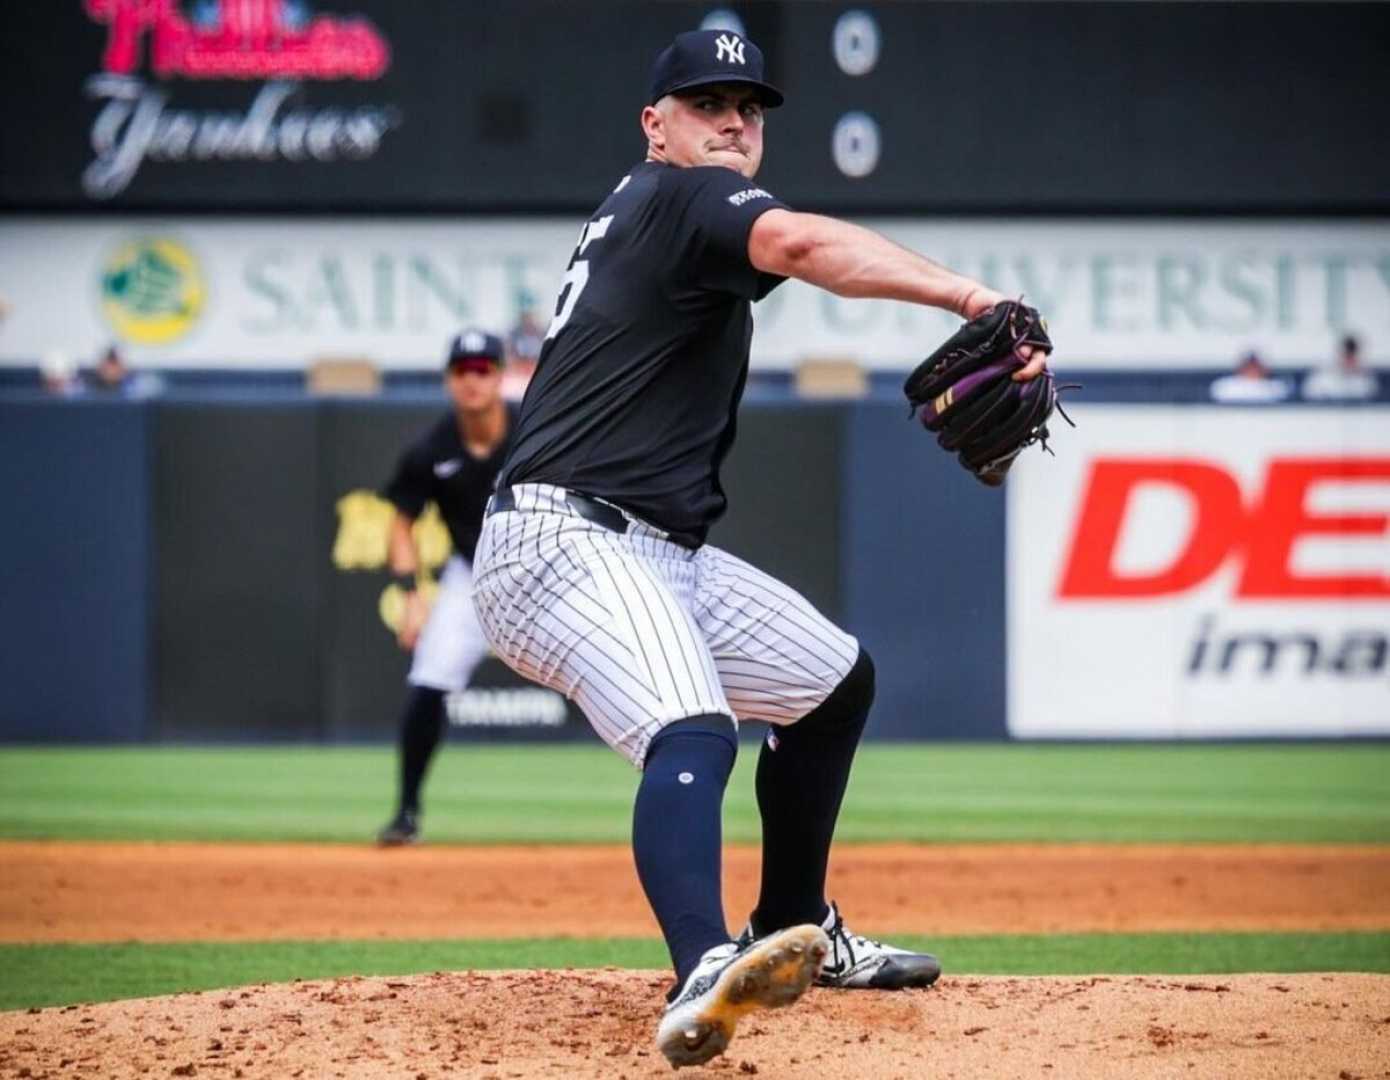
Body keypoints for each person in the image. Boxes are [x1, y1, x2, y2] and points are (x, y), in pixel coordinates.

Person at [469, 29, 1050, 1068]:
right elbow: (802, 246)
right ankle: (702, 962)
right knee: (692, 725)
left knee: (832, 682)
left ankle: (795, 929)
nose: (735, 122)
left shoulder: (667, 218)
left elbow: (781, 252)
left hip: (651, 548)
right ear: (657, 126)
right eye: (706, 103)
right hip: (564, 537)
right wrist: (972, 299)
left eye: (748, 106)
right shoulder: (682, 196)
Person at [376, 329, 515, 846]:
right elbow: (400, 525)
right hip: (470, 576)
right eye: (463, 370)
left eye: (483, 369)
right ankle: (406, 812)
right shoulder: (430, 450)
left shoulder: (535, 431)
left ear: (501, 376)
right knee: (428, 682)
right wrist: (412, 597)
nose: (473, 380)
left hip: (542, 572)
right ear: (449, 380)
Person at [1302, 334, 1377, 401]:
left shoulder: (1365, 383)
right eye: (1346, 355)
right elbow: (1310, 397)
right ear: (1339, 354)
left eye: (1352, 356)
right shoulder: (1323, 380)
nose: (1349, 360)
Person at [1209, 350, 1291, 404]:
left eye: (1256, 366)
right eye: (1249, 366)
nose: (1252, 369)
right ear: (1241, 367)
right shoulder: (1226, 387)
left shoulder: (1276, 388)